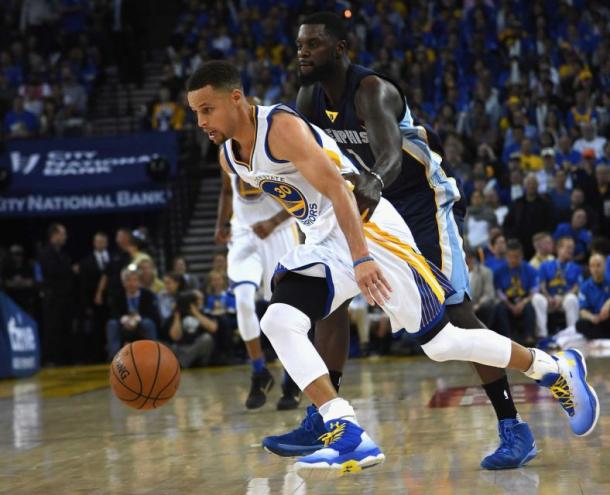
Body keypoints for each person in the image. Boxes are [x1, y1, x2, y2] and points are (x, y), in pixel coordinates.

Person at [186, 60, 599, 476]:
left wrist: (362, 259)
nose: (201, 121)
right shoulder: (229, 158)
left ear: (236, 98)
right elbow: (304, 202)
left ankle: (551, 368)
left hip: (371, 231)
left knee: (441, 344)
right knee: (278, 319)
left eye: (207, 109)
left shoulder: (280, 127)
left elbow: (338, 191)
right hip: (327, 241)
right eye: (195, 112)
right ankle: (344, 427)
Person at [267, 12, 536, 471]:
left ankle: (514, 426)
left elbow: (391, 157)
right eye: (299, 45)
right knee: (328, 303)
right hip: (361, 204)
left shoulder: (372, 90)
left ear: (340, 47)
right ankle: (324, 418)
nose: (303, 53)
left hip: (417, 199)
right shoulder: (308, 97)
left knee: (453, 311)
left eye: (313, 44)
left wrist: (368, 188)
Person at [215, 159, 300, 409]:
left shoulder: (275, 142)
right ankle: (259, 371)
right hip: (243, 233)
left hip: (280, 230)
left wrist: (273, 222)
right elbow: (227, 190)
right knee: (242, 300)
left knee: (284, 310)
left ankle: (291, 376)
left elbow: (303, 193)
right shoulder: (225, 150)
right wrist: (222, 222)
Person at [38, 223, 75, 365]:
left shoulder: (63, 253)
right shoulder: (45, 253)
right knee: (52, 329)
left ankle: (63, 359)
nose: (65, 237)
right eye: (63, 233)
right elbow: (52, 271)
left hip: (65, 297)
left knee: (65, 329)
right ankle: (50, 359)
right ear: (54, 235)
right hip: (52, 298)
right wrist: (69, 270)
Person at [532, 237, 581, 341]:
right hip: (549, 300)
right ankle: (542, 336)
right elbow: (541, 285)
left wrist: (562, 298)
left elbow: (576, 287)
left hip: (565, 300)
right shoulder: (545, 265)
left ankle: (572, 335)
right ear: (558, 249)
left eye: (572, 248)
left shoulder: (576, 267)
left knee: (572, 299)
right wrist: (548, 297)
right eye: (568, 247)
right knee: (537, 298)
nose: (570, 250)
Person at [105, 268, 160, 360]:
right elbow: (113, 313)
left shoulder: (148, 295)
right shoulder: (117, 295)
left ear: (139, 282)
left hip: (141, 322)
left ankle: (153, 355)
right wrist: (126, 320)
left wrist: (136, 319)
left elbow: (153, 314)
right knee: (112, 324)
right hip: (123, 323)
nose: (132, 283)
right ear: (124, 283)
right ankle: (114, 358)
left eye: (135, 280)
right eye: (128, 280)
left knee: (148, 323)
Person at [494, 240, 539, 345]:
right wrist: (510, 305)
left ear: (522, 255)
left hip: (524, 299)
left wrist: (523, 303)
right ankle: (507, 338)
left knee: (529, 307)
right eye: (511, 256)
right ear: (506, 256)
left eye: (517, 256)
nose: (513, 259)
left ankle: (529, 337)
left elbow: (534, 289)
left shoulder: (529, 269)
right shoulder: (500, 271)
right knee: (500, 308)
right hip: (507, 301)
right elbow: (498, 291)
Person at [77, 232, 111, 363]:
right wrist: (86, 305)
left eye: (103, 241)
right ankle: (98, 357)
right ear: (93, 243)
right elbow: (83, 286)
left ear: (107, 243)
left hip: (112, 301)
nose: (100, 243)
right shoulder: (86, 262)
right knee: (96, 330)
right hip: (94, 303)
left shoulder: (113, 259)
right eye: (98, 241)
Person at [166, 289, 216, 368]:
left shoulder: (203, 313)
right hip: (180, 348)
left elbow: (213, 328)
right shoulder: (175, 316)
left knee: (207, 339)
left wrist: (195, 313)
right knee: (168, 346)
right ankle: (186, 359)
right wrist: (177, 316)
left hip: (197, 347)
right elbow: (175, 337)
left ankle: (183, 362)